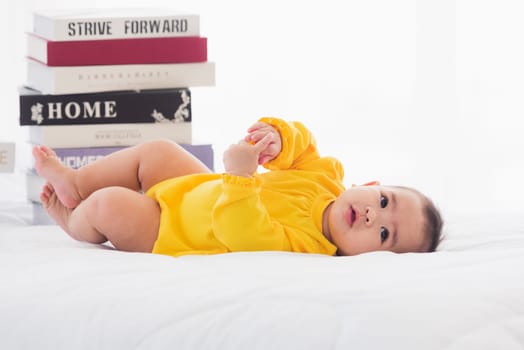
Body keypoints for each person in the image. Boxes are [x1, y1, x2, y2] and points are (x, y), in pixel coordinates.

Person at [32, 117, 443, 257]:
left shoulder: (307, 245)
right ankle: (75, 181)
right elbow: (303, 146)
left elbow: (242, 232)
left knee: (111, 206)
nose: (374, 214)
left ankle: (77, 220)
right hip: (197, 186)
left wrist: (242, 179)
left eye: (385, 233)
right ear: (371, 184)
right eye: (384, 200)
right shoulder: (325, 178)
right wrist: (278, 138)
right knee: (158, 151)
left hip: (170, 231)